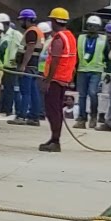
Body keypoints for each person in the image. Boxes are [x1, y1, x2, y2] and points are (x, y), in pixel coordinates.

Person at [39, 8, 77, 152]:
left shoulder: (59, 39)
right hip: (64, 78)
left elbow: (55, 60)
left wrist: (47, 80)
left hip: (55, 79)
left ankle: (55, 141)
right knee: (56, 110)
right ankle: (54, 139)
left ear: (54, 21)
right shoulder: (70, 37)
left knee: (53, 111)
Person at [72, 15, 109, 129]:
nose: (92, 27)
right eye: (90, 25)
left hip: (96, 70)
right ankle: (82, 119)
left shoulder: (103, 40)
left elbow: (108, 57)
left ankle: (93, 116)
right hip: (82, 70)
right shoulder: (80, 38)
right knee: (82, 95)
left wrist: (108, 72)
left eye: (95, 26)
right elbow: (75, 54)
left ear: (98, 27)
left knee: (93, 93)